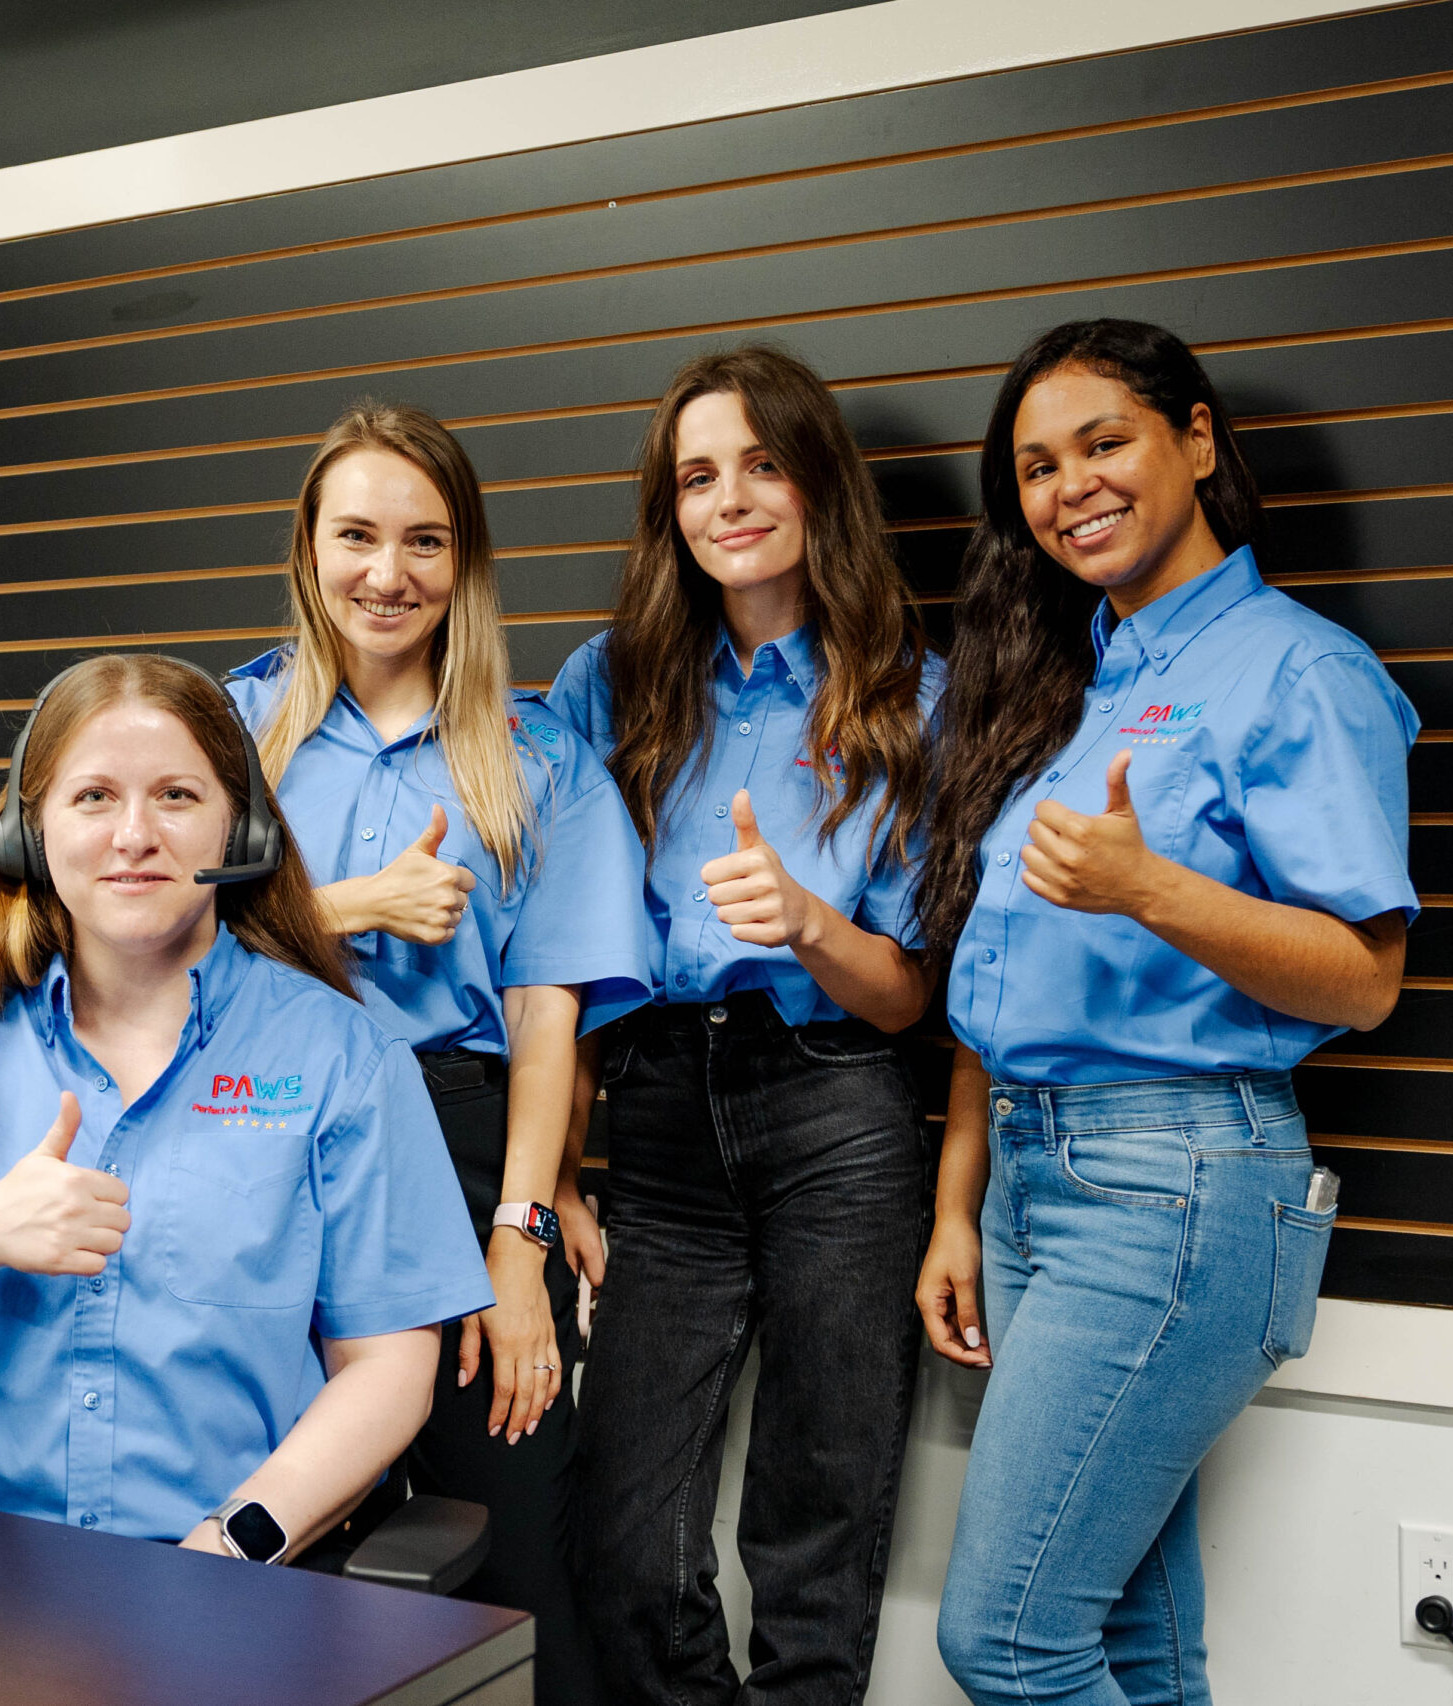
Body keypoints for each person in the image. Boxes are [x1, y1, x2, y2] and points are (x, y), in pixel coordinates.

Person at [915, 319, 1417, 1706]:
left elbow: (1366, 978)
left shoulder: (1297, 672)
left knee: (1007, 1637)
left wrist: (1152, 888)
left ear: (1197, 442)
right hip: (1036, 1173)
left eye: (1102, 442)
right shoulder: (1071, 682)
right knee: (1130, 1634)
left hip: (1176, 1180)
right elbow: (994, 982)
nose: (1068, 484)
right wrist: (960, 1204)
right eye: (1033, 465)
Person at [0, 653, 492, 1565]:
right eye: (93, 797)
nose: (133, 834)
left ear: (240, 825)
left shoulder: (344, 1057)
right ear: (32, 833)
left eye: (176, 795)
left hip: (224, 1589)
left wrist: (228, 1550)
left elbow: (387, 1371)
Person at [226, 400, 652, 1705]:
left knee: (514, 1537)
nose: (387, 572)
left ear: (462, 560)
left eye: (424, 540)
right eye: (356, 534)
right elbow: (139, 918)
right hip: (252, 1137)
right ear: (309, 548)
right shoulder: (223, 729)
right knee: (265, 1534)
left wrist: (520, 1240)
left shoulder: (535, 755)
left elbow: (544, 1021)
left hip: (454, 1147)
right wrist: (350, 905)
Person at [547, 344, 945, 1705]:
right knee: (619, 1530)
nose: (730, 499)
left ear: (818, 480)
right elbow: (558, 946)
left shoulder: (913, 693)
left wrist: (809, 921)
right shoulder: (609, 681)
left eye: (762, 464)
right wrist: (551, 1166)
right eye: (697, 474)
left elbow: (913, 998)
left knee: (817, 1522)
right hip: (657, 1107)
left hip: (841, 1097)